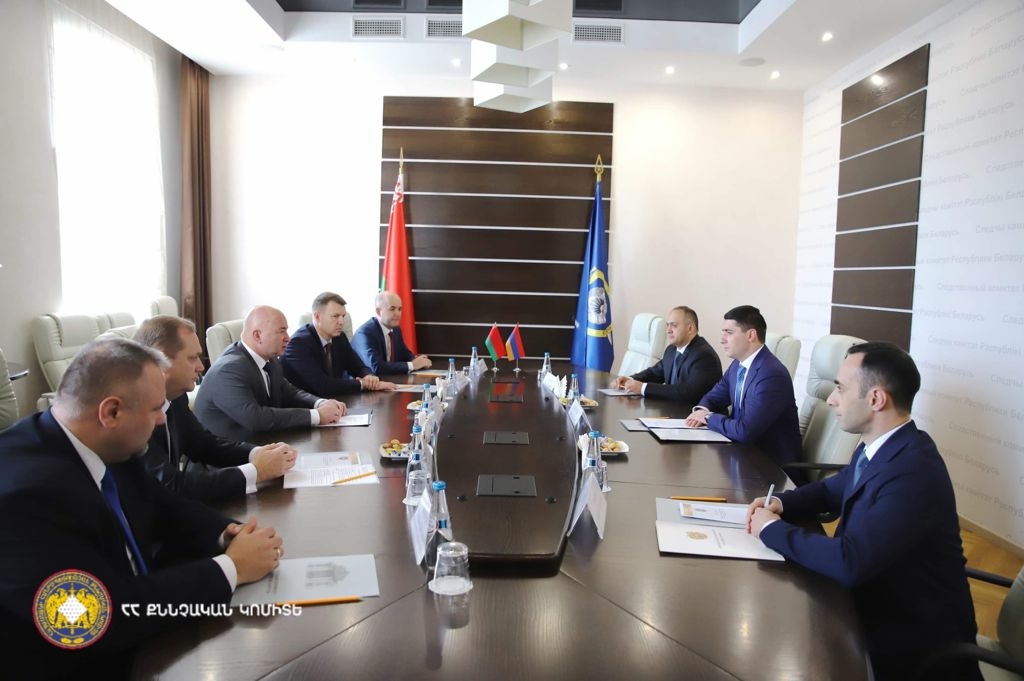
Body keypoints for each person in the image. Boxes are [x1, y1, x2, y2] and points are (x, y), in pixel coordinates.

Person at [0, 338, 283, 677]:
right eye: (155, 409)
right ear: (112, 412)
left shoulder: (105, 442)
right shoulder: (24, 496)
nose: (163, 420)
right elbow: (91, 618)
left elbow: (163, 505)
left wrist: (228, 532)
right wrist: (230, 568)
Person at [746, 342, 980, 681]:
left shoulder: (914, 470)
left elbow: (850, 562)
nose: (831, 399)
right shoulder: (880, 447)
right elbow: (831, 490)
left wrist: (771, 530)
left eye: (840, 388)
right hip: (871, 605)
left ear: (876, 399)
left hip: (913, 645)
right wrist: (781, 503)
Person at [134, 316, 298, 503]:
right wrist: (257, 471)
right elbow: (172, 486)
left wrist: (257, 453)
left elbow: (204, 444)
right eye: (192, 358)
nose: (200, 366)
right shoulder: (133, 413)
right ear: (160, 359)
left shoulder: (176, 397)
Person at [194, 306, 346, 441]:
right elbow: (255, 418)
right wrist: (317, 416)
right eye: (281, 331)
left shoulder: (270, 360)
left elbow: (290, 393)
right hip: (226, 458)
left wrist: (321, 403)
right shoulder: (229, 369)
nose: (288, 338)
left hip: (263, 445)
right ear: (257, 336)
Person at [685, 305, 800, 468]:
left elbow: (745, 430)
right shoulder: (738, 365)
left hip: (770, 467)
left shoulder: (771, 375)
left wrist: (708, 417)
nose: (722, 339)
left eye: (729, 332)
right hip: (741, 456)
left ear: (751, 335)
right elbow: (714, 396)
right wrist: (701, 411)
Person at [281, 292, 395, 395]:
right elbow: (323, 385)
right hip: (304, 406)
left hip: (333, 401)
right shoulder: (298, 344)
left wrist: (369, 377)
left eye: (343, 316)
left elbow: (358, 366)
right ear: (317, 317)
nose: (341, 322)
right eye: (335, 316)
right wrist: (362, 384)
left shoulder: (339, 338)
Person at [610, 306, 721, 404]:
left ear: (690, 328)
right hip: (672, 411)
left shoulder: (704, 356)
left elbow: (687, 393)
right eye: (668, 325)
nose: (668, 330)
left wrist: (642, 388)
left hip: (695, 416)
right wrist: (630, 379)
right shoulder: (671, 350)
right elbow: (655, 373)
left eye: (674, 325)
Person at [352, 291, 431, 376]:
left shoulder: (396, 329)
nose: (398, 314)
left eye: (399, 309)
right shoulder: (365, 333)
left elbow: (404, 354)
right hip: (361, 382)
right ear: (378, 311)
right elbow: (376, 367)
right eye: (392, 309)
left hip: (388, 380)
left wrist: (419, 360)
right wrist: (413, 365)